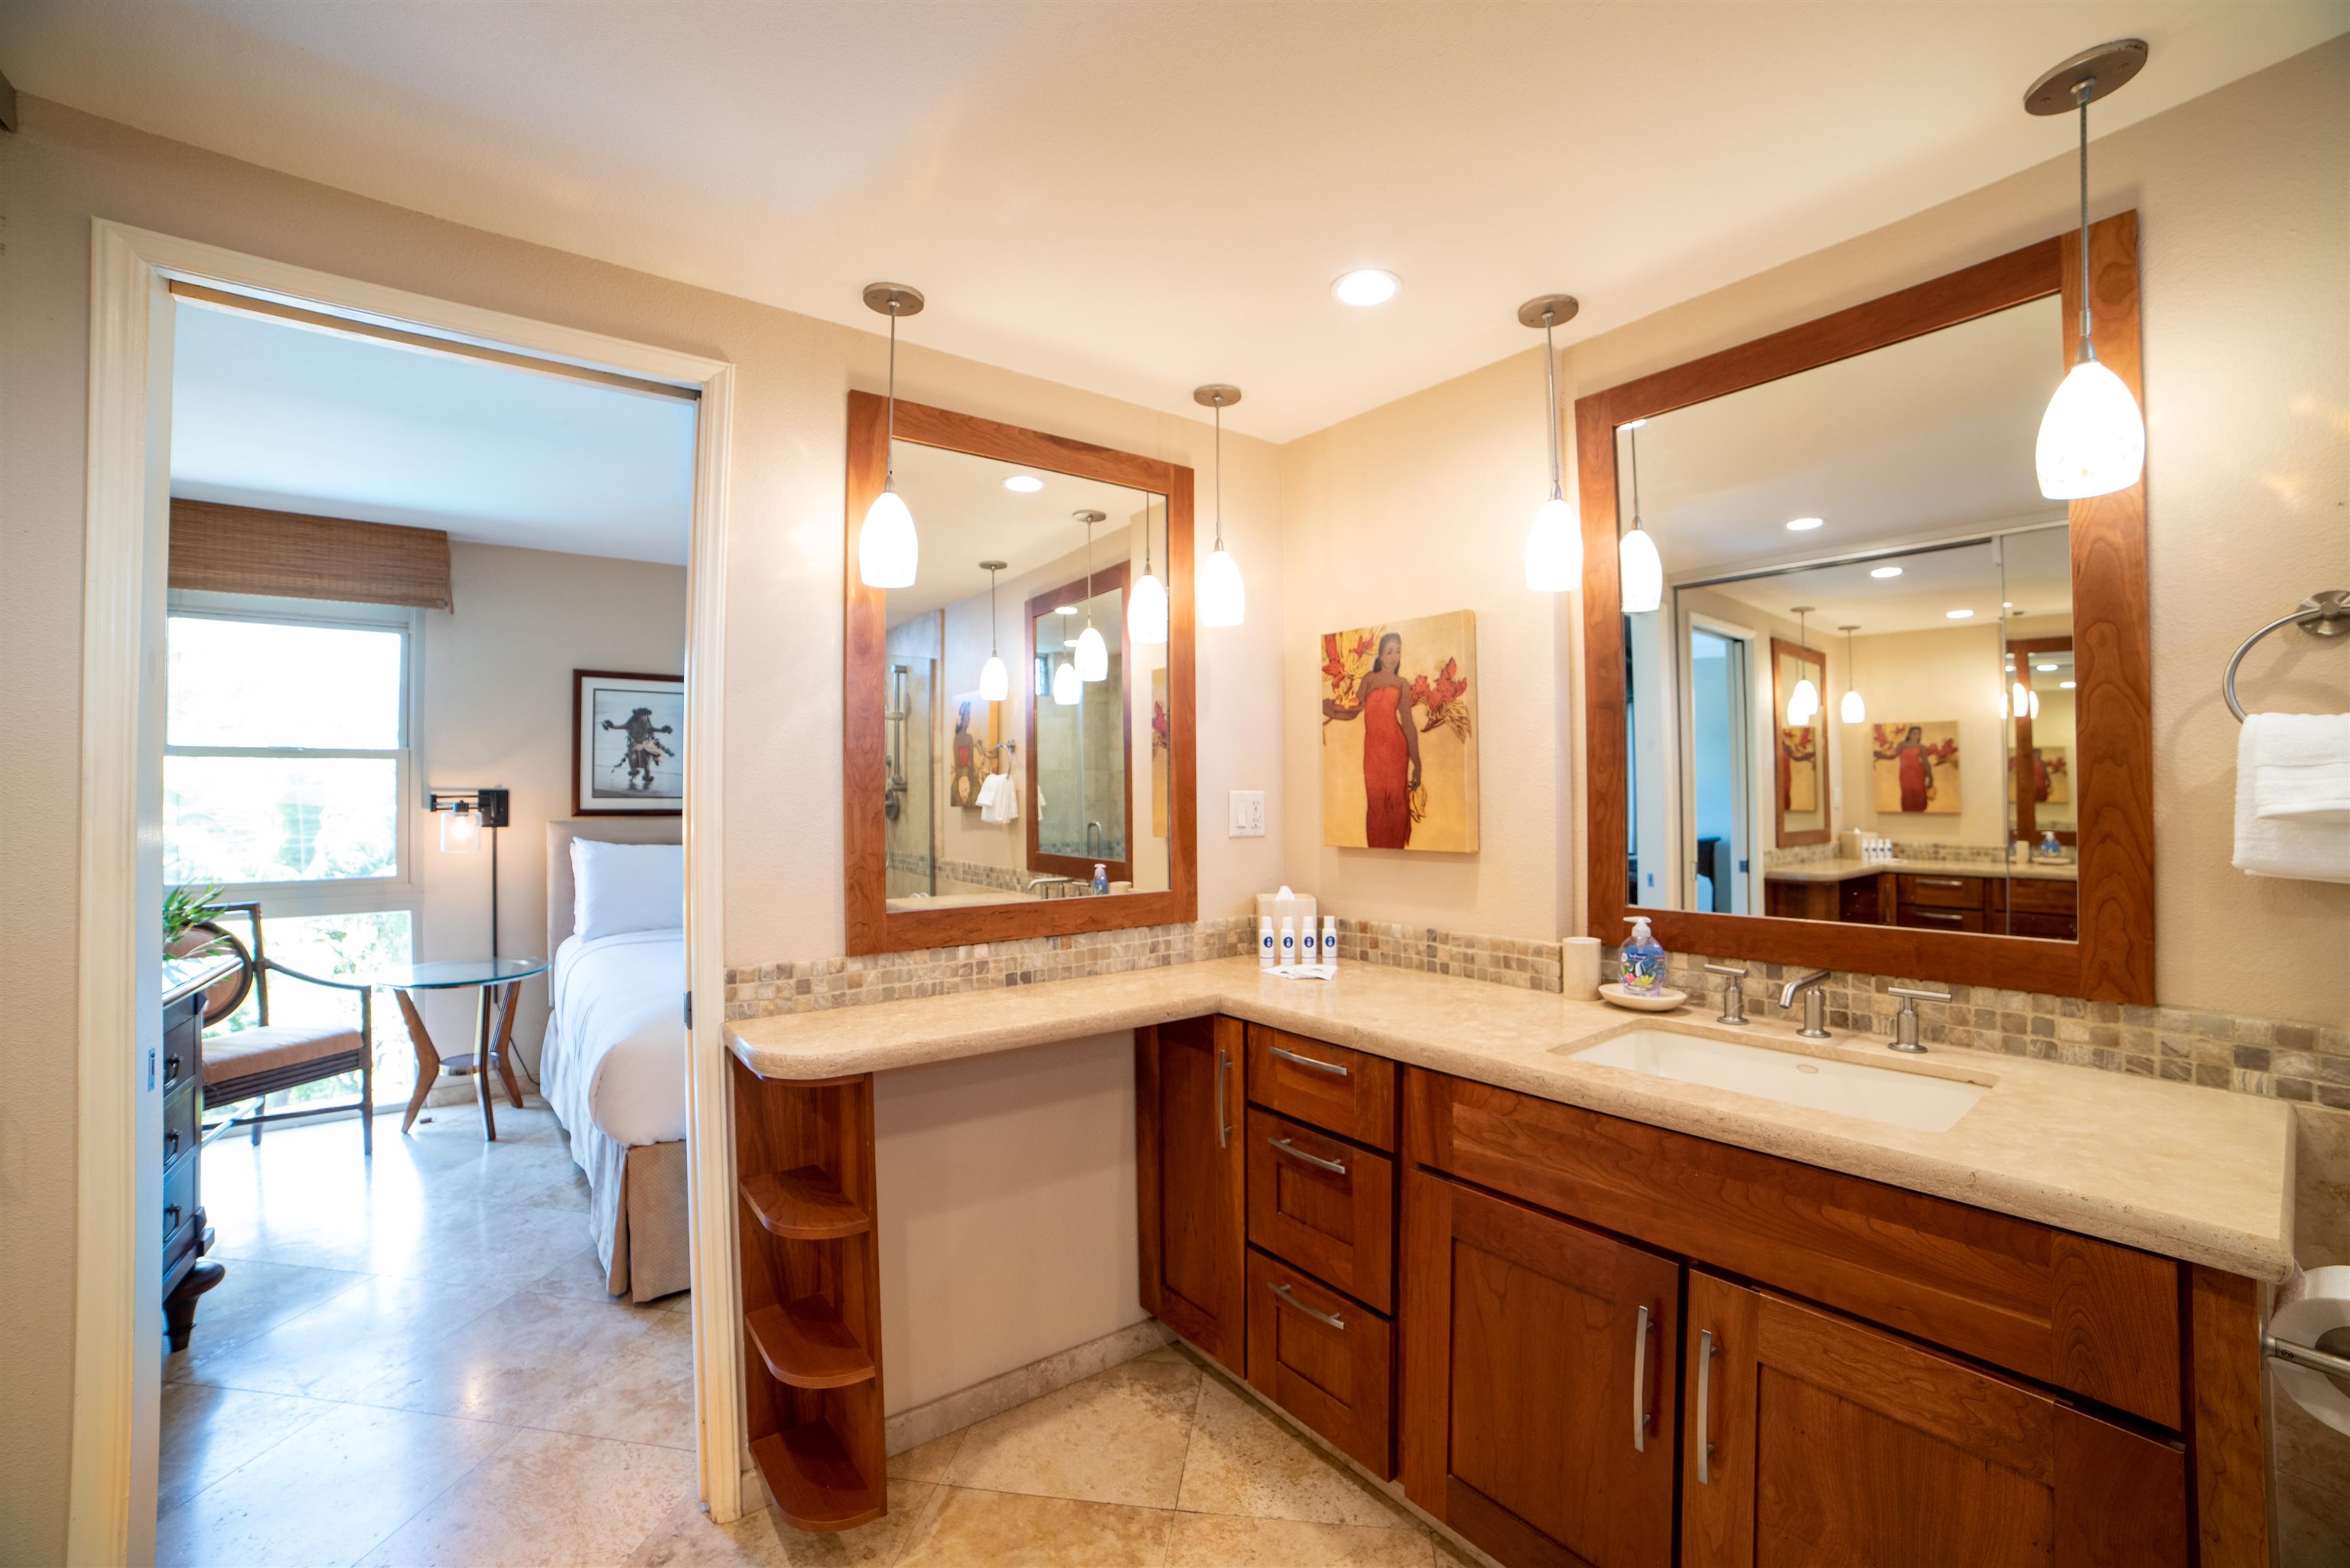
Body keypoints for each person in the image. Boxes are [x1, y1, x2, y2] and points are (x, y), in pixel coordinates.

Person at [1323, 631, 1421, 848]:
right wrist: (1329, 709)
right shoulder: (1369, 679)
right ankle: (1376, 852)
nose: (1394, 657)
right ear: (1380, 655)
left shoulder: (1402, 683)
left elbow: (1408, 723)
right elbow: (1353, 711)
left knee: (1396, 802)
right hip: (1373, 751)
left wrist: (1417, 763)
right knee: (1376, 803)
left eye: (1397, 651)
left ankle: (1396, 851)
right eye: (1389, 652)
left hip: (1396, 749)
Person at [602, 706, 675, 792]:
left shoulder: (647, 723)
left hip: (646, 745)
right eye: (642, 716)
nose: (644, 717)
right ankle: (633, 774)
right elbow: (619, 727)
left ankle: (647, 778)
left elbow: (654, 729)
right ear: (637, 716)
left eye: (645, 716)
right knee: (633, 761)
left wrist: (663, 730)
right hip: (635, 745)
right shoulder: (631, 724)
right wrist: (611, 726)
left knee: (646, 765)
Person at [1876, 724, 1936, 813]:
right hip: (1905, 775)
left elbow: (1925, 762)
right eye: (1914, 733)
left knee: (1919, 794)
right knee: (1907, 795)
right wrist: (1878, 755)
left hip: (1918, 775)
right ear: (1909, 734)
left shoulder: (1922, 747)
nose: (1917, 736)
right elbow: (1892, 756)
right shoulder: (1902, 745)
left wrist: (1930, 777)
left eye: (1919, 734)